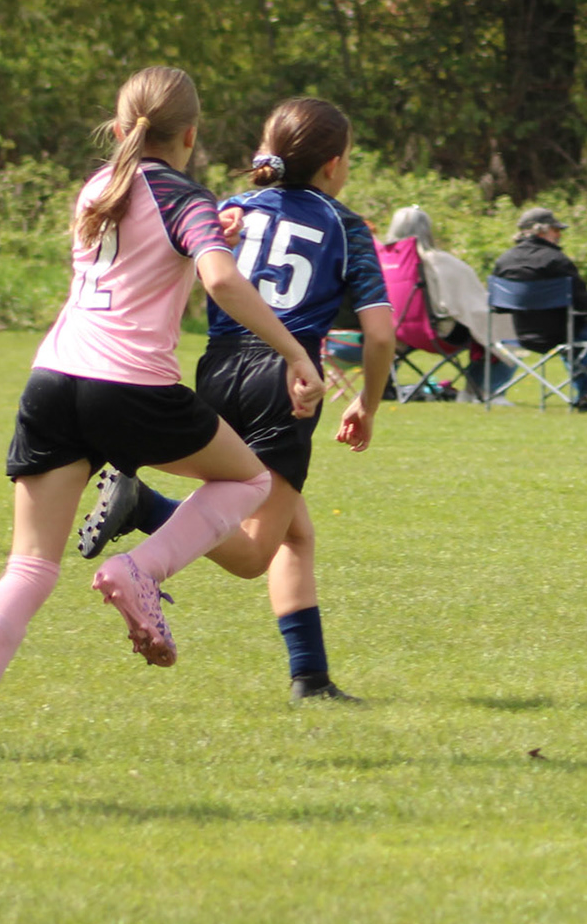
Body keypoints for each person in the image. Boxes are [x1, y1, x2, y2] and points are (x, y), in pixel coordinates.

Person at [0, 66, 326, 756]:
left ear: (118, 126)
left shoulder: (97, 188)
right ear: (190, 135)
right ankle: (143, 569)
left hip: (53, 379)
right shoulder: (185, 196)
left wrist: (209, 229)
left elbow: (142, 250)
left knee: (29, 568)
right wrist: (294, 353)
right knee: (250, 479)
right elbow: (220, 279)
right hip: (129, 384)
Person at [77, 98, 395, 702]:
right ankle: (142, 506)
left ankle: (311, 679)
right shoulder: (345, 224)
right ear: (333, 164)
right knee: (252, 553)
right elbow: (379, 334)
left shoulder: (230, 209)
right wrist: (368, 405)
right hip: (285, 379)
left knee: (295, 532)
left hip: (219, 369)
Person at [492, 207, 587, 411]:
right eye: (556, 230)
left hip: (520, 335)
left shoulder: (504, 261)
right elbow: (586, 305)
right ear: (541, 231)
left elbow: (497, 306)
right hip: (563, 333)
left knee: (571, 336)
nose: (559, 235)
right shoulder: (556, 260)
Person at [386, 205, 506, 402]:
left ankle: (383, 385)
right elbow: (474, 301)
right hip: (438, 333)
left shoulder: (383, 261)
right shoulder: (438, 261)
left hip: (397, 333)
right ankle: (481, 391)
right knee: (502, 329)